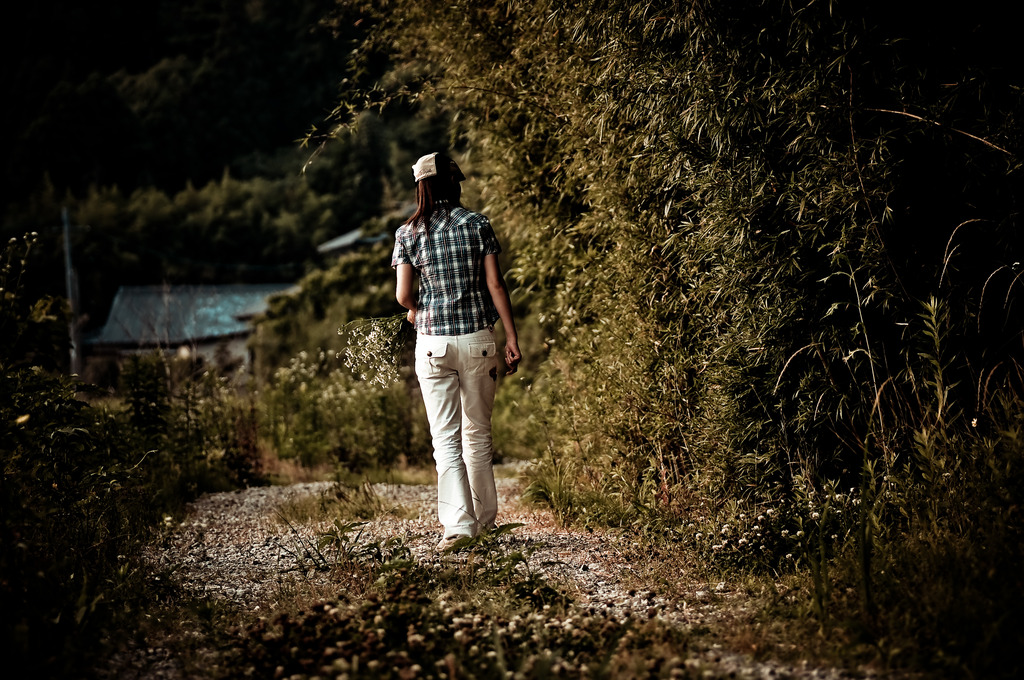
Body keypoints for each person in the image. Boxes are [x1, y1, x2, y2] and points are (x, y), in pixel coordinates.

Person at [392, 151, 522, 550]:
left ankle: (458, 528)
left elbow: (403, 296)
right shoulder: (477, 223)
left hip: (433, 344)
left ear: (420, 187)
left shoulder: (407, 234)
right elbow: (496, 286)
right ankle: (485, 522)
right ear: (453, 183)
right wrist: (512, 339)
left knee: (445, 439)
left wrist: (417, 312)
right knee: (478, 435)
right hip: (478, 342)